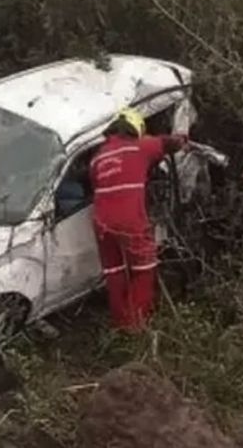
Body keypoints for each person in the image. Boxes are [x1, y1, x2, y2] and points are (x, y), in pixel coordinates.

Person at [90, 108, 187, 331]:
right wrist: (183, 138)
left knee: (114, 272)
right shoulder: (139, 147)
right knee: (144, 268)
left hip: (101, 221)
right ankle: (134, 325)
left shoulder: (97, 158)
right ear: (136, 129)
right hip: (129, 219)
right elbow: (169, 143)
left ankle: (120, 320)